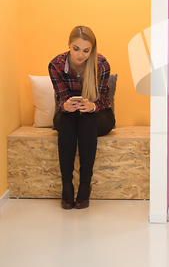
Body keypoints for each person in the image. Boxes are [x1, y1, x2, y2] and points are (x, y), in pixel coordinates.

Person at [49, 26, 115, 209]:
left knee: (86, 119)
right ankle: (67, 185)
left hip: (100, 115)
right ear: (69, 45)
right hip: (68, 115)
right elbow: (61, 97)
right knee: (70, 119)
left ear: (92, 49)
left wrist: (92, 106)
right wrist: (66, 105)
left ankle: (85, 185)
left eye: (86, 50)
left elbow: (101, 100)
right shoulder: (56, 65)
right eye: (76, 49)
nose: (80, 55)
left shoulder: (101, 64)